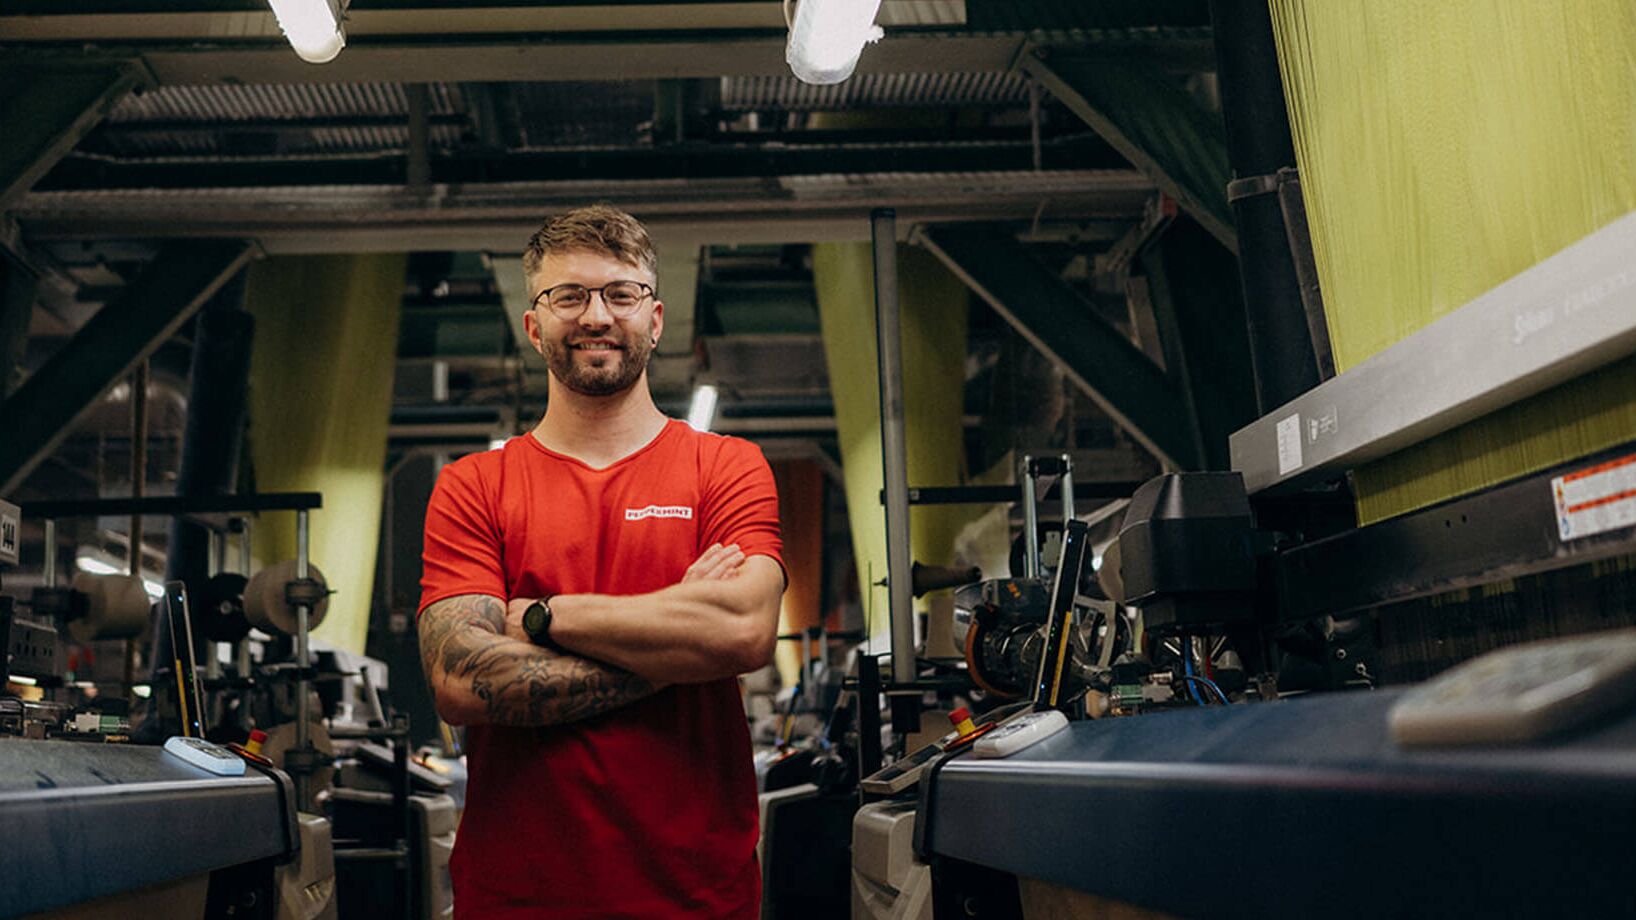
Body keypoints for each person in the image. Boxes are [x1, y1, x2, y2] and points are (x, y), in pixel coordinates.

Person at [417, 204, 786, 919]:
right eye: (569, 296)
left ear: (655, 319)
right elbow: (462, 681)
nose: (596, 316)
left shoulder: (726, 467)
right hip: (517, 898)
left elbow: (743, 633)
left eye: (621, 293)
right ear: (534, 326)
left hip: (696, 897)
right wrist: (680, 646)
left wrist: (544, 617)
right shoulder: (474, 485)